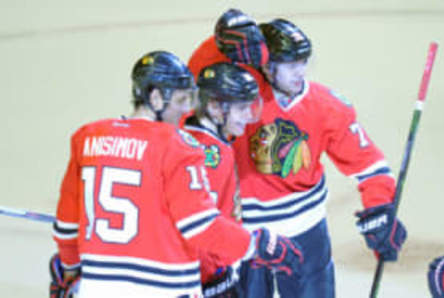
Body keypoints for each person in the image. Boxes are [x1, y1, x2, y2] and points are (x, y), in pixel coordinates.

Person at [50, 50, 303, 298]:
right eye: (181, 101)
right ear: (156, 98)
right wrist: (258, 243)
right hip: (165, 288)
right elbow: (200, 227)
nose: (186, 111)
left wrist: (71, 270)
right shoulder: (177, 145)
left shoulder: (89, 137)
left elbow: (67, 226)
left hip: (97, 288)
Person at [229, 19, 408, 297]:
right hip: (247, 236)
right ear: (266, 64)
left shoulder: (327, 106)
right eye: (290, 64)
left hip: (306, 232)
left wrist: (380, 208)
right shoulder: (238, 103)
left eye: (303, 62)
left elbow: (370, 165)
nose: (300, 71)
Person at [179, 62, 263, 297]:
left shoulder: (190, 137)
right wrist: (214, 275)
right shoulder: (211, 154)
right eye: (242, 108)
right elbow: (201, 224)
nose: (248, 116)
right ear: (215, 107)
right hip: (207, 277)